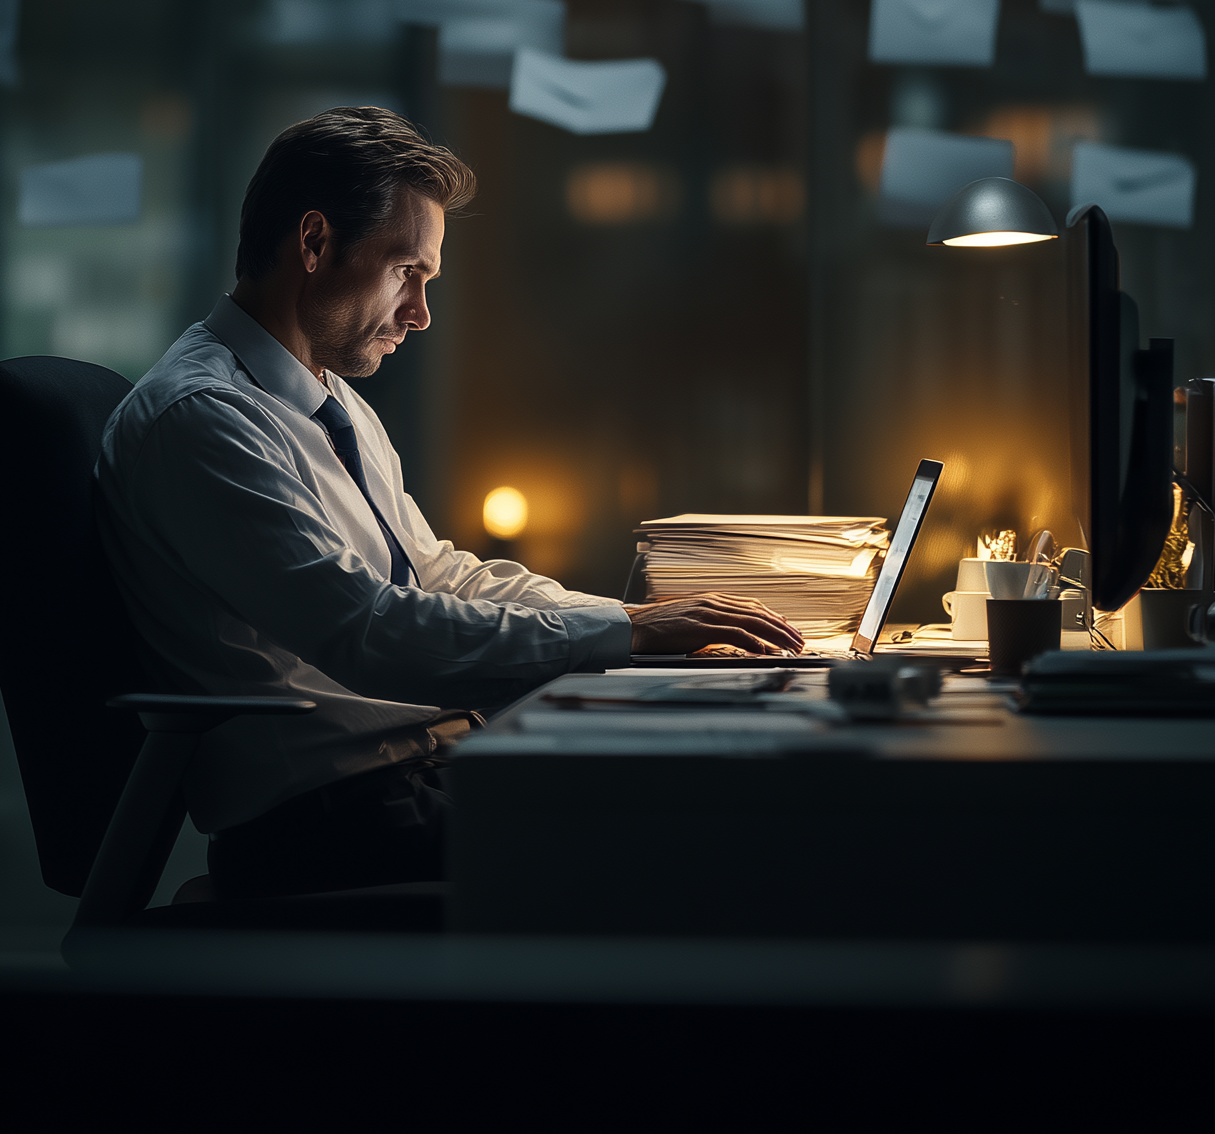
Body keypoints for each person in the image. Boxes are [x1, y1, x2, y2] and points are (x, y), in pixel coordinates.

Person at [99, 106, 803, 899]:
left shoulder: (329, 403)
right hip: (335, 822)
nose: (421, 313)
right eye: (409, 272)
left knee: (711, 785)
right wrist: (622, 635)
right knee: (708, 837)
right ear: (314, 243)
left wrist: (635, 622)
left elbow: (434, 575)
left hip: (423, 778)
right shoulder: (202, 419)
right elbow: (366, 629)